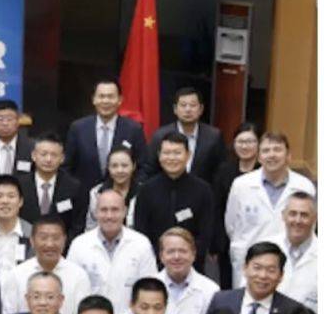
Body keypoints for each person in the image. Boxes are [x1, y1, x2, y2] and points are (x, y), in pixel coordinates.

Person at [225, 131, 317, 287]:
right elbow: (231, 226)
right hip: (249, 261)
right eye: (266, 150)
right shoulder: (241, 185)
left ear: (288, 156)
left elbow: (308, 227)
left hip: (288, 263)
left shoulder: (304, 186)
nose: (272, 155)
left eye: (277, 149)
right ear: (259, 157)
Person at [67, 189, 157, 314]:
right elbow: (72, 290)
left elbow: (149, 290)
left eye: (115, 210)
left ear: (125, 211)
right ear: (96, 212)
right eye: (104, 210)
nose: (109, 216)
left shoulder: (141, 244)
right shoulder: (79, 245)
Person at [133, 132, 215, 271]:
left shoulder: (203, 190)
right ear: (159, 155)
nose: (171, 158)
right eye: (167, 153)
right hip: (154, 265)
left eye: (177, 153)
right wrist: (160, 257)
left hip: (192, 266)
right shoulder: (147, 190)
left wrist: (186, 257)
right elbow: (141, 231)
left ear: (188, 155)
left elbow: (206, 232)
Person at [2, 216, 91, 314]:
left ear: (64, 240)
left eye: (55, 238)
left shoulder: (79, 276)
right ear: (32, 241)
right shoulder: (16, 275)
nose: (49, 244)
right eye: (43, 238)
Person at [64, 78, 147, 190]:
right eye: (101, 96)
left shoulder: (133, 129)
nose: (106, 101)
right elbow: (67, 166)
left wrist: (131, 191)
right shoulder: (78, 128)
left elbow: (143, 166)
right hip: (83, 195)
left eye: (110, 97)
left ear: (120, 100)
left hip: (121, 195)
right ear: (94, 100)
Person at [154, 228, 219, 314]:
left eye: (183, 251)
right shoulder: (148, 286)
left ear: (193, 254)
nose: (177, 256)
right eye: (170, 251)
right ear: (161, 256)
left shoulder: (210, 290)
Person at [140, 86, 226, 183]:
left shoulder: (214, 136)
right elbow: (150, 169)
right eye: (183, 105)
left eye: (193, 105)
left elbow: (220, 172)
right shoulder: (160, 136)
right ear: (175, 109)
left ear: (201, 109)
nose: (188, 109)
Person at [211, 122, 260, 289]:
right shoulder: (224, 171)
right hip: (229, 241)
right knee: (228, 283)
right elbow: (217, 207)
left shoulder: (263, 171)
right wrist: (217, 243)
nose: (245, 146)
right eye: (240, 141)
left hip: (258, 236)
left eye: (250, 141)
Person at [17, 132, 87, 240]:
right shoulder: (20, 185)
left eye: (54, 155)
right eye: (43, 154)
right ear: (34, 156)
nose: (48, 159)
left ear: (62, 158)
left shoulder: (74, 187)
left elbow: (77, 224)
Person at [264, 192, 317, 308]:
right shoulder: (265, 247)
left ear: (315, 218)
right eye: (293, 214)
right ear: (283, 215)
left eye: (304, 215)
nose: (298, 220)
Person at [84, 146, 141, 231]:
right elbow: (91, 225)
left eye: (124, 166)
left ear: (133, 166)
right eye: (114, 166)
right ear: (108, 167)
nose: (119, 170)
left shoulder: (143, 193)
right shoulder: (97, 193)